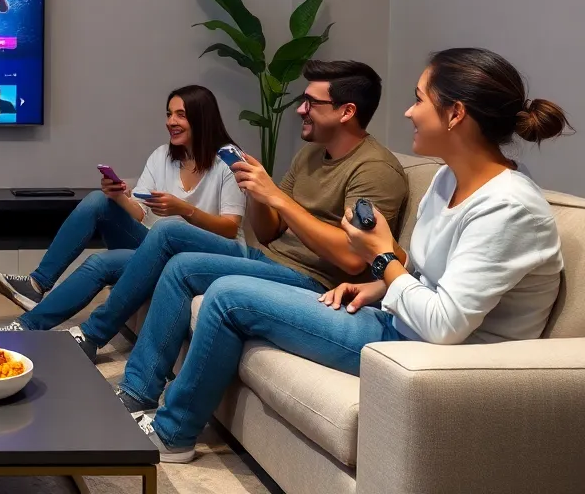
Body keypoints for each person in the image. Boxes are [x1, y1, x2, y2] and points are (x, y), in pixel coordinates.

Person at [127, 48, 570, 463]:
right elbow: (422, 273)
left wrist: (380, 258)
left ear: (455, 114)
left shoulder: (508, 208)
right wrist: (373, 286)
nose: (408, 112)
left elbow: (443, 325)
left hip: (434, 359)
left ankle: (171, 436)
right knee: (205, 275)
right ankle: (163, 416)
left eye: (419, 100)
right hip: (401, 322)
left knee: (227, 298)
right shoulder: (448, 180)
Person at [40, 60, 411, 362]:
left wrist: (278, 198)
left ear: (347, 112)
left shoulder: (375, 170)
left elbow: (351, 258)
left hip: (312, 281)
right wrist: (258, 193)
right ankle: (77, 334)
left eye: (312, 103)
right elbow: (267, 234)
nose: (301, 109)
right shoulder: (310, 153)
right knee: (166, 233)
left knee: (175, 262)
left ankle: (99, 345)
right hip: (266, 257)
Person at [0, 86, 245, 331]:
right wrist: (118, 196)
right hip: (153, 243)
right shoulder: (163, 155)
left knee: (101, 262)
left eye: (180, 115)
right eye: (168, 114)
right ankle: (36, 284)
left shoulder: (228, 160)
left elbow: (230, 229)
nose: (170, 122)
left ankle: (25, 328)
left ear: (202, 119)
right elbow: (142, 213)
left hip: (195, 254)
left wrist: (184, 209)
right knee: (98, 200)